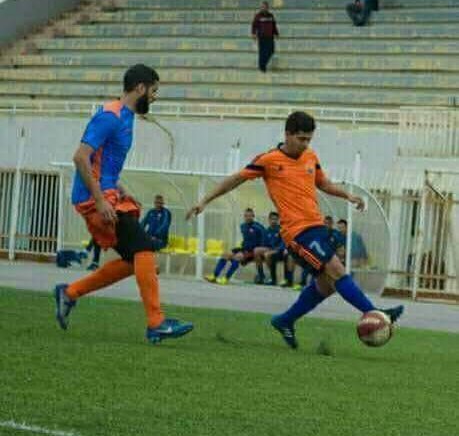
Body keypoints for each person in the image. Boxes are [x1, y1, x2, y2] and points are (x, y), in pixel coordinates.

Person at [187, 111, 403, 349]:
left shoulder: (310, 156)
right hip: (297, 234)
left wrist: (348, 195)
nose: (305, 144)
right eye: (301, 139)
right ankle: (376, 313)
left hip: (316, 228)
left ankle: (285, 320)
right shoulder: (269, 160)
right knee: (336, 269)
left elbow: (323, 183)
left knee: (326, 285)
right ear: (287, 134)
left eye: (308, 139)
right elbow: (235, 179)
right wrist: (204, 201)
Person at [53, 64, 193, 344]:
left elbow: (105, 166)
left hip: (108, 196)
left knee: (134, 260)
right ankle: (156, 323)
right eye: (154, 91)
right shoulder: (110, 116)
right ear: (140, 88)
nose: (155, 97)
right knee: (144, 247)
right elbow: (80, 157)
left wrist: (121, 189)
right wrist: (100, 200)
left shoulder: (126, 118)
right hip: (94, 200)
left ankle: (70, 292)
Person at [205, 208, 266, 285]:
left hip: (252, 251)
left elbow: (264, 239)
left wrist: (259, 252)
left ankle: (226, 278)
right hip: (244, 249)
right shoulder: (243, 226)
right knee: (225, 254)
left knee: (237, 257)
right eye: (246, 216)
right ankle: (214, 276)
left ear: (253, 216)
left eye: (249, 216)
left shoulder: (258, 227)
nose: (247, 217)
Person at [255, 211, 295, 286]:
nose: (274, 221)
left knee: (270, 255)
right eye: (272, 219)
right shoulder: (267, 231)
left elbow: (283, 244)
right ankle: (261, 276)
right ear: (269, 220)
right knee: (256, 250)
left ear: (278, 220)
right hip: (271, 250)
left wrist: (275, 250)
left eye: (275, 219)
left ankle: (286, 280)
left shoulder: (281, 230)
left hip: (280, 251)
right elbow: (264, 244)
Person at [252, 1, 279, 72]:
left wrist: (276, 33)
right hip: (262, 37)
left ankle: (263, 65)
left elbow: (274, 25)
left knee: (271, 50)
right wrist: (253, 33)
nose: (264, 8)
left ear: (267, 8)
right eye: (262, 7)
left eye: (265, 7)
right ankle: (262, 67)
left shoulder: (271, 15)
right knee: (262, 52)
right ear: (261, 8)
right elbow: (254, 25)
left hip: (270, 36)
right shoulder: (258, 16)